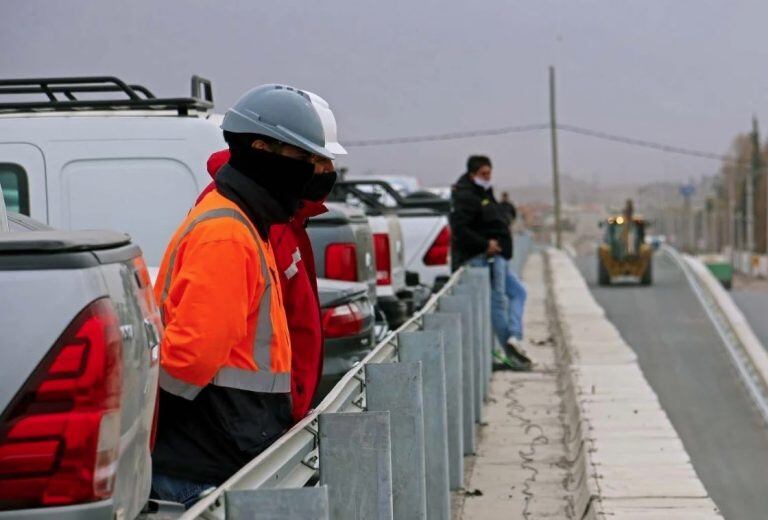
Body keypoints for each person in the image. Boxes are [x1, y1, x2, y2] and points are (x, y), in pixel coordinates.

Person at [151, 84, 342, 508]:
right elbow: (187, 362)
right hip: (205, 464)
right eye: (304, 159)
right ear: (260, 149)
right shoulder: (228, 235)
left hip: (223, 453)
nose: (313, 172)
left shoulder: (247, 222)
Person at [198, 96, 344, 423]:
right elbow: (200, 350)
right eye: (314, 157)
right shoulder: (244, 222)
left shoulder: (283, 216)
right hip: (245, 423)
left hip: (265, 416)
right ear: (265, 151)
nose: (327, 171)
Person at [450, 155, 531, 371]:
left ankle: (514, 337)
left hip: (498, 256)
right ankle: (511, 352)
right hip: (484, 258)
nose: (488, 177)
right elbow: (461, 230)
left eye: (489, 173)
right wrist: (485, 244)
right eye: (484, 174)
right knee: (497, 304)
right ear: (473, 174)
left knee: (519, 293)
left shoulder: (483, 193)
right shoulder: (465, 196)